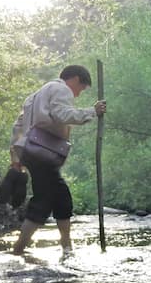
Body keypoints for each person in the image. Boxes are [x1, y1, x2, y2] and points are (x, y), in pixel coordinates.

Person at [10, 65, 106, 255]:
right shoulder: (61, 89)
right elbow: (62, 115)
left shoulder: (37, 94)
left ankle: (66, 248)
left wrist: (15, 155)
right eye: (81, 88)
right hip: (42, 154)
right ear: (76, 79)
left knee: (61, 199)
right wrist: (92, 111)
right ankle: (19, 250)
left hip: (32, 152)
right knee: (44, 202)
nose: (78, 94)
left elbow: (18, 125)